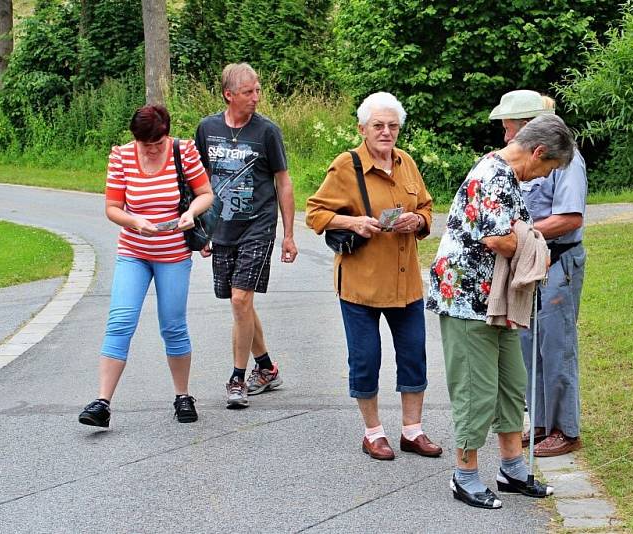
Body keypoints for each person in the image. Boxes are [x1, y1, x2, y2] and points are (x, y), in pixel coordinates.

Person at [427, 114, 575, 508]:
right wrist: (537, 247)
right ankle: (465, 476)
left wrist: (527, 239)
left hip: (499, 298)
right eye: (547, 168)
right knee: (476, 390)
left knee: (511, 384)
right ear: (538, 151)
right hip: (468, 299)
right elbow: (499, 239)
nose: (542, 177)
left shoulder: (509, 177)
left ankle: (511, 469)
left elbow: (515, 233)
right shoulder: (492, 174)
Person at [306, 92, 442, 461]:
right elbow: (315, 213)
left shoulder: (407, 162)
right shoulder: (345, 166)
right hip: (361, 285)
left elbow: (427, 205)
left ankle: (412, 431)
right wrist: (354, 221)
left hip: (405, 283)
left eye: (392, 126)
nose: (386, 132)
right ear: (362, 129)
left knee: (414, 356)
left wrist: (419, 220)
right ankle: (374, 432)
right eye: (378, 126)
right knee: (366, 359)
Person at [79, 104, 214, 428]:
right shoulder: (122, 157)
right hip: (134, 252)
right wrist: (134, 221)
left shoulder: (184, 152)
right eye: (145, 145)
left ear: (166, 135)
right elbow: (112, 208)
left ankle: (183, 395)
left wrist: (190, 213)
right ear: (135, 139)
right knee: (121, 321)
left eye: (156, 144)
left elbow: (205, 194)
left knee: (173, 324)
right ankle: (102, 402)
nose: (151, 151)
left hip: (173, 253)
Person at [489, 90, 588, 457]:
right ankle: (543, 423)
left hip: (559, 263)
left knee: (556, 344)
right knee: (530, 345)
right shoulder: (519, 160)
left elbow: (570, 218)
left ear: (528, 127)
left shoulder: (566, 159)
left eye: (509, 128)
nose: (505, 137)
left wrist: (521, 236)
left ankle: (567, 429)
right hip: (533, 264)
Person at [194, 63, 297, 409]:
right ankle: (267, 368)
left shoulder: (267, 131)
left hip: (258, 225)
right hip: (222, 226)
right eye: (248, 92)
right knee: (239, 303)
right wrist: (200, 227)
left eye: (257, 90)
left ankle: (237, 378)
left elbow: (283, 182)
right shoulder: (207, 129)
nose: (256, 97)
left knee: (240, 300)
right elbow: (200, 181)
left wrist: (289, 234)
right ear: (229, 94)